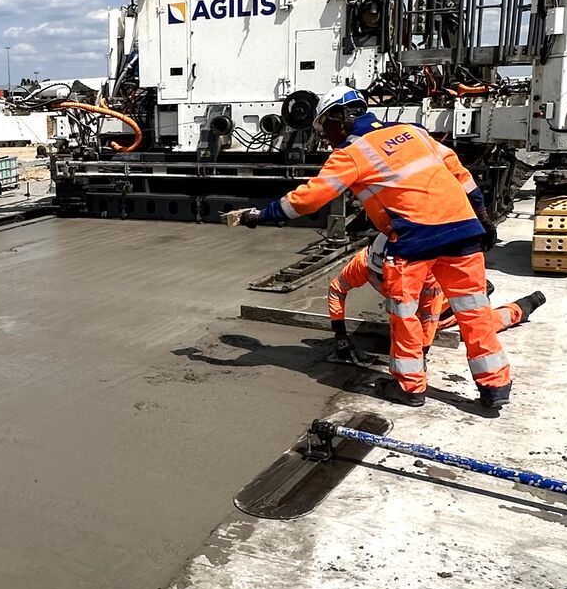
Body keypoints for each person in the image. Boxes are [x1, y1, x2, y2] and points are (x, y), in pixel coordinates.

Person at [232, 86, 513, 414]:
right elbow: (460, 174)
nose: (326, 138)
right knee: (474, 310)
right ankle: (495, 385)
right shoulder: (413, 132)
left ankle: (409, 387)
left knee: (404, 315)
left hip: (415, 239)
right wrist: (482, 216)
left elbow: (309, 198)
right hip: (463, 231)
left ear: (340, 117)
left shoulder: (352, 154)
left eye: (325, 129)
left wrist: (260, 215)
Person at [327, 231, 546, 364]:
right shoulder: (363, 263)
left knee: (477, 327)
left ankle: (521, 308)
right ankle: (482, 290)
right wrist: (340, 333)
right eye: (381, 278)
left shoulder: (427, 276)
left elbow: (429, 318)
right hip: (425, 301)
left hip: (446, 303)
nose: (388, 283)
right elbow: (337, 290)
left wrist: (421, 353)